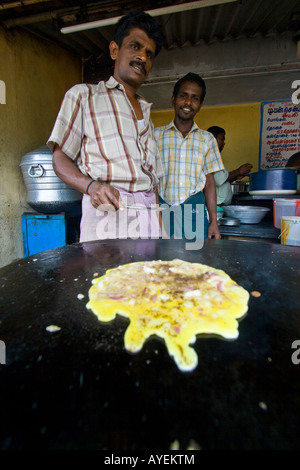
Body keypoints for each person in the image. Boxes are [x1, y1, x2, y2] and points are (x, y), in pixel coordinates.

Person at [47, 10, 164, 242]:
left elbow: (153, 185)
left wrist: (162, 233)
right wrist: (91, 187)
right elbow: (60, 159)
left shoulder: (146, 113)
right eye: (134, 46)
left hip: (148, 215)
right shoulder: (84, 96)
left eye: (149, 54)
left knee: (150, 278)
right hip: (108, 213)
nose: (142, 57)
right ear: (114, 50)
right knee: (106, 277)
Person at [155, 73, 224, 240]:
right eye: (183, 96)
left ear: (200, 105)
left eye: (194, 98)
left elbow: (209, 183)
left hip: (195, 215)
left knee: (195, 263)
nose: (188, 103)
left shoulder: (207, 140)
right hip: (162, 214)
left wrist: (213, 221)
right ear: (173, 100)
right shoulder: (155, 136)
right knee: (162, 263)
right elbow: (150, 182)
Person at [207, 126, 253, 206]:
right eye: (222, 139)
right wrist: (238, 171)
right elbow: (219, 180)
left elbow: (218, 181)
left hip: (219, 204)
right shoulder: (209, 157)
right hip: (216, 205)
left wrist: (235, 177)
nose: (224, 143)